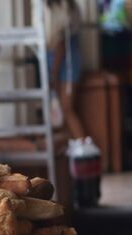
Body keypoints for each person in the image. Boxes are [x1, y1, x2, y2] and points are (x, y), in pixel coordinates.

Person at [45, 0, 86, 140]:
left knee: (66, 108)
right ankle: (76, 146)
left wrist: (53, 73)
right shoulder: (61, 6)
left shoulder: (63, 8)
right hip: (61, 58)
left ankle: (83, 147)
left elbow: (61, 44)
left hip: (65, 60)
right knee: (62, 111)